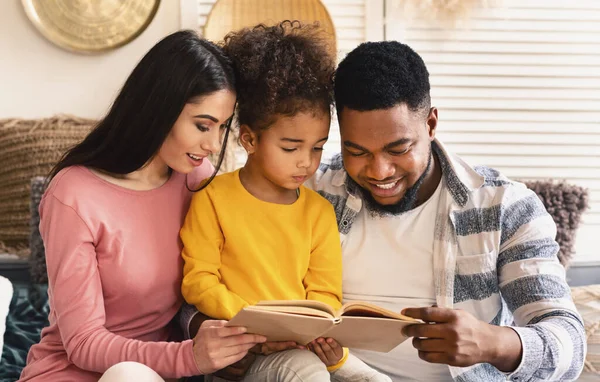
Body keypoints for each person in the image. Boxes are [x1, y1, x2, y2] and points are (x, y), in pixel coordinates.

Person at [185, 40, 586, 381]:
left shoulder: (503, 207)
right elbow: (210, 279)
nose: (379, 172)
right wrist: (230, 338)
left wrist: (496, 342)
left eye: (398, 149)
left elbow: (569, 341)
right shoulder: (308, 189)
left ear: (430, 124)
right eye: (357, 152)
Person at [18, 30, 266, 382]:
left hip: (157, 372)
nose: (212, 144)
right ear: (159, 108)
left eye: (222, 127)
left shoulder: (197, 178)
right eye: (202, 125)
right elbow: (82, 342)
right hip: (73, 372)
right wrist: (190, 357)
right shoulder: (73, 194)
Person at [180, 21, 390, 382]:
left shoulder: (318, 212)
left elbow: (324, 292)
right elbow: (198, 281)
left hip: (305, 345)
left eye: (318, 147)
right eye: (291, 147)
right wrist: (256, 323)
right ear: (248, 139)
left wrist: (317, 328)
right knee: (306, 372)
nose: (307, 162)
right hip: (244, 347)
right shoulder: (212, 198)